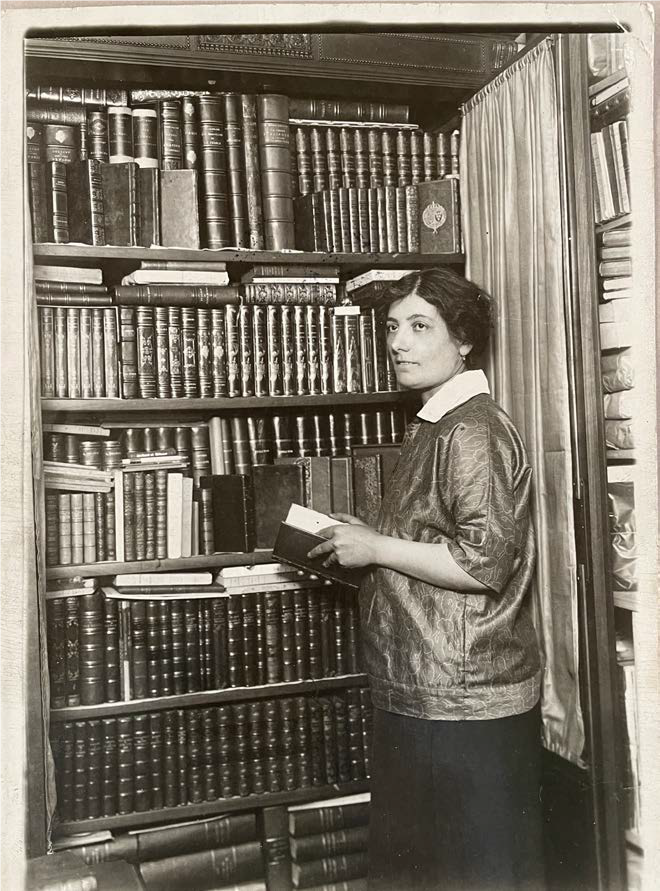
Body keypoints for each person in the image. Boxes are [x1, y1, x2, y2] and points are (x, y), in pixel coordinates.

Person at [308, 267, 545, 890]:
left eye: (420, 327)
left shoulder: (470, 429)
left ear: (463, 339)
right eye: (391, 327)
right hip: (429, 691)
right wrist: (368, 539)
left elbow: (481, 561)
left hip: (463, 703)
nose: (398, 343)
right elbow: (440, 539)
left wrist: (377, 546)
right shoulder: (439, 421)